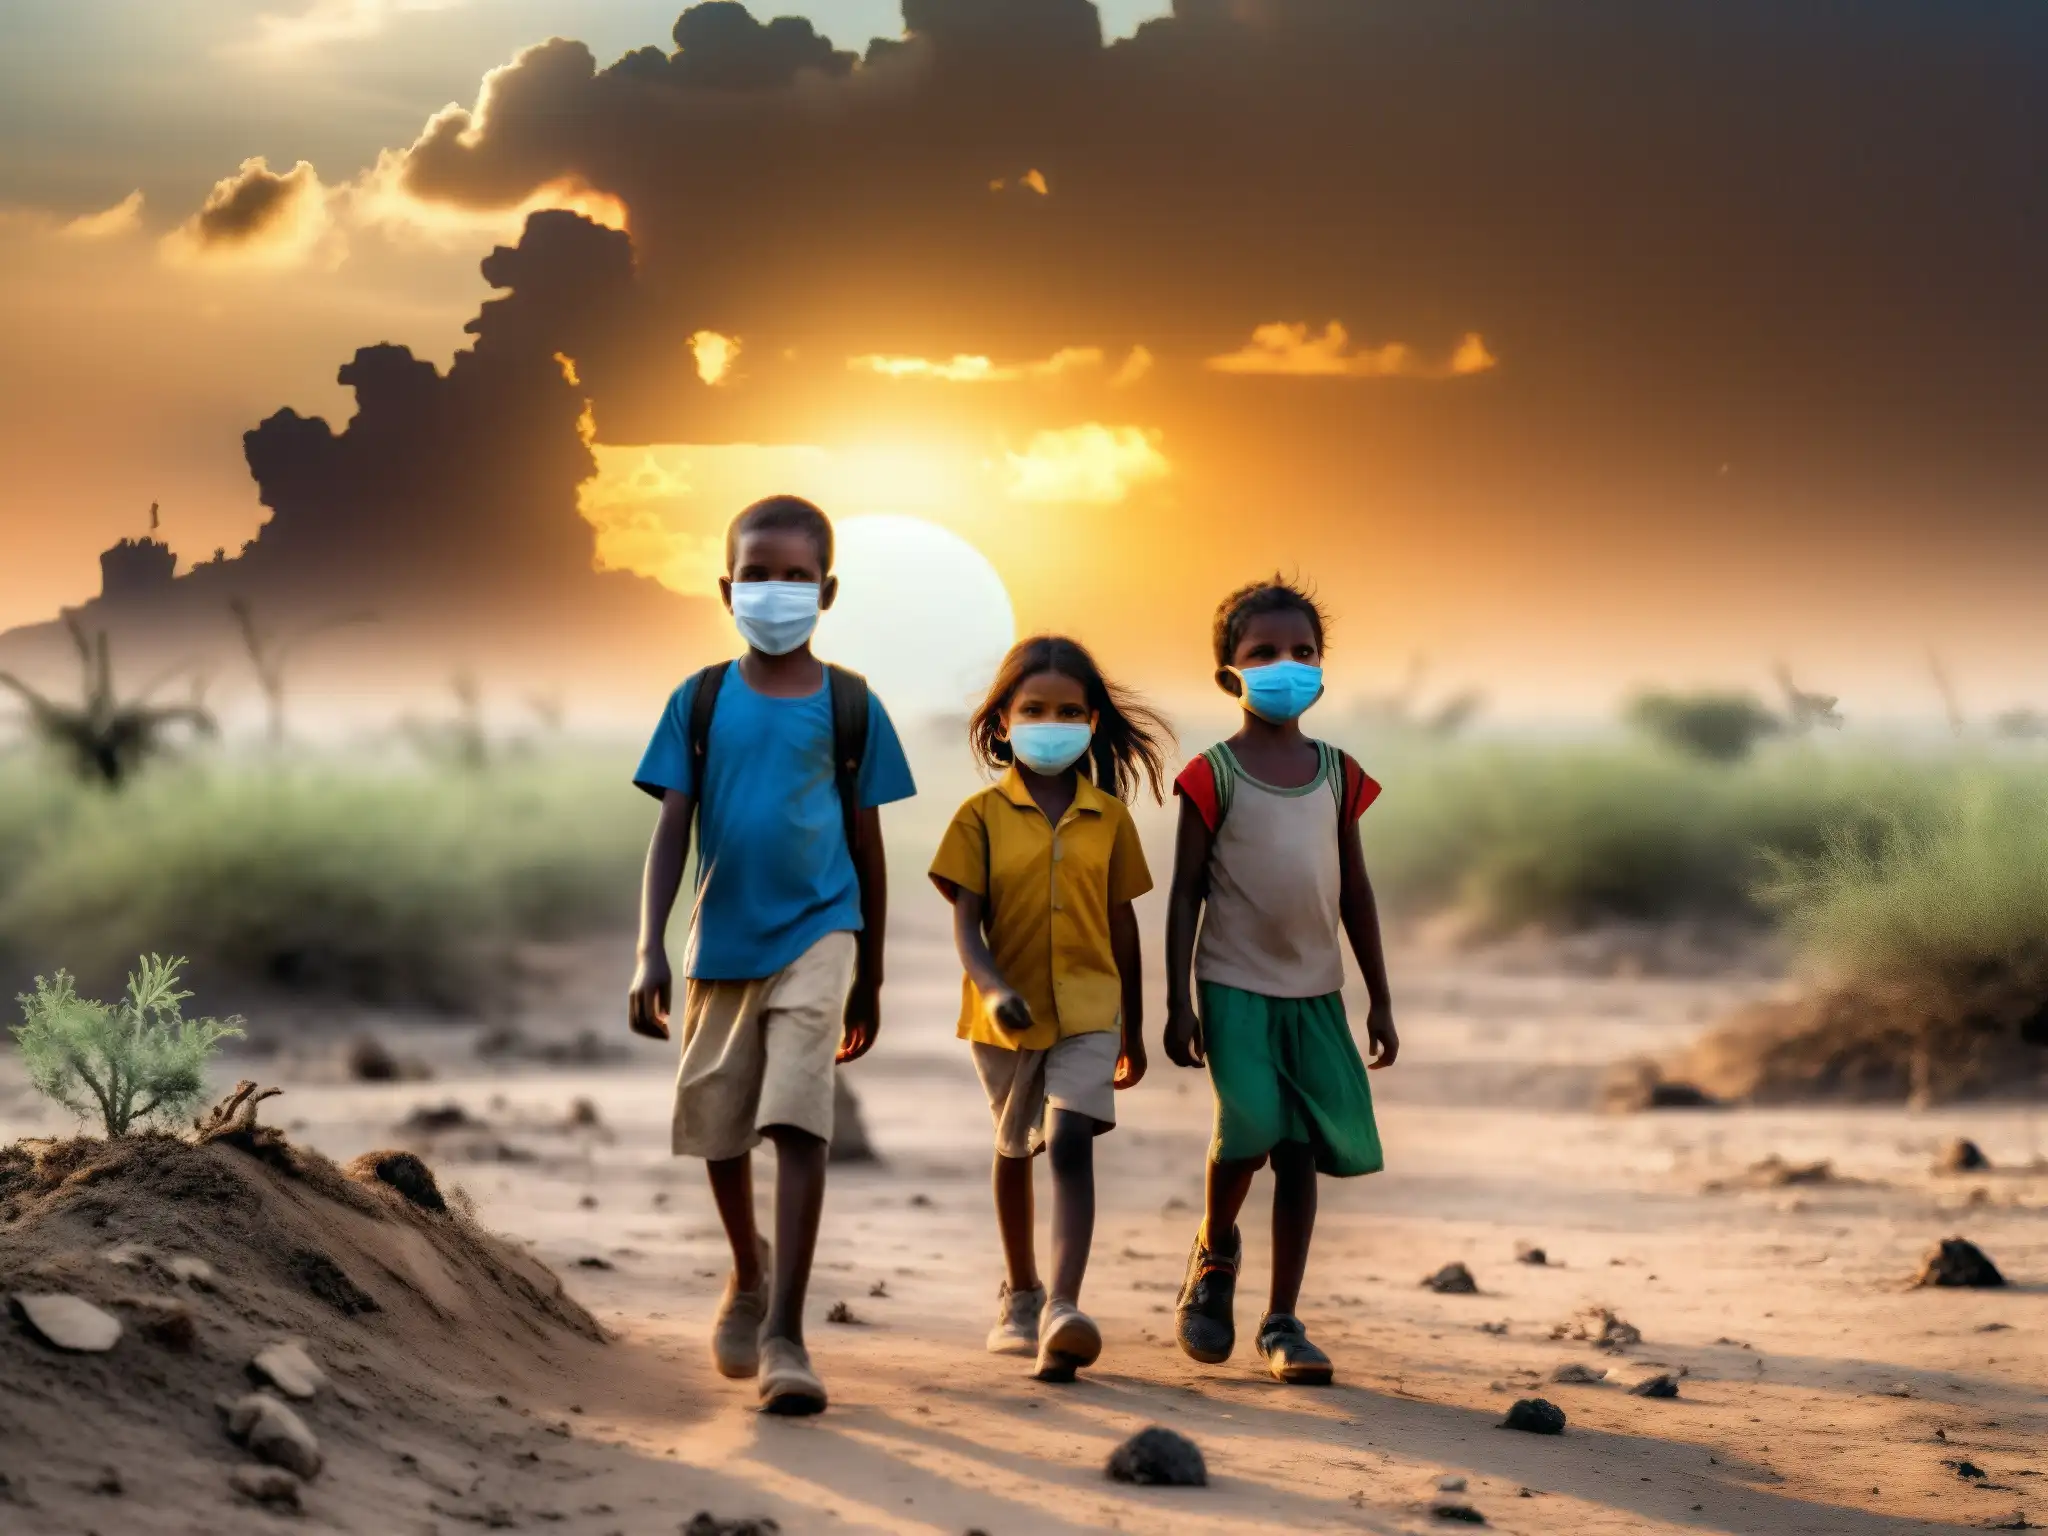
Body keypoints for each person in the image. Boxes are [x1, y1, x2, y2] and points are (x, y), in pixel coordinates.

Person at [626, 494, 916, 1415]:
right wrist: (650, 950)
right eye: (758, 574)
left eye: (796, 577)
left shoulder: (852, 704)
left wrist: (868, 968)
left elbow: (868, 846)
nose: (776, 591)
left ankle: (787, 1330)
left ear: (827, 590)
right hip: (721, 941)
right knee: (719, 1125)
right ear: (726, 587)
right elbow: (671, 831)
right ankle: (746, 1272)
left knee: (797, 1118)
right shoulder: (699, 698)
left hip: (821, 931)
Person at [1162, 577, 1398, 1385]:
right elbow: (1185, 890)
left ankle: (1283, 1321)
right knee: (1250, 1129)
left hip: (1317, 991)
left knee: (1300, 1151)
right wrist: (1175, 1001)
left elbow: (1355, 891)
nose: (1284, 666)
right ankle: (1215, 1249)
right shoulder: (1212, 774)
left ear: (1322, 670)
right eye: (1263, 653)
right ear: (1230, 671)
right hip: (1232, 985)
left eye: (1302, 653)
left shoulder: (1338, 772)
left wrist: (1380, 995)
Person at [929, 636, 1170, 1382]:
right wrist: (996, 989)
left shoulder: (1110, 818)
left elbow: (1122, 920)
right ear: (1003, 720)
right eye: (1034, 709)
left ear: (1093, 722)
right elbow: (966, 926)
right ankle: (1022, 1294)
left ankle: (1065, 1307)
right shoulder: (979, 817)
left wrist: (1133, 1018)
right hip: (1005, 1017)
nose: (1051, 722)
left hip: (1092, 1007)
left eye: (1069, 711)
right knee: (1013, 1148)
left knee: (1069, 1140)